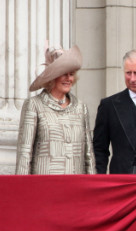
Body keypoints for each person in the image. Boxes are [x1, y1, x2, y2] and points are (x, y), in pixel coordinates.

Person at [16, 44, 96, 175]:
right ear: (52, 77)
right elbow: (25, 153)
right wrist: (22, 189)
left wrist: (92, 187)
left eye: (71, 74)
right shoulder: (34, 105)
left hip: (76, 187)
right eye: (64, 74)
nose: (69, 79)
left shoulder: (81, 107)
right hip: (45, 186)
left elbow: (89, 154)